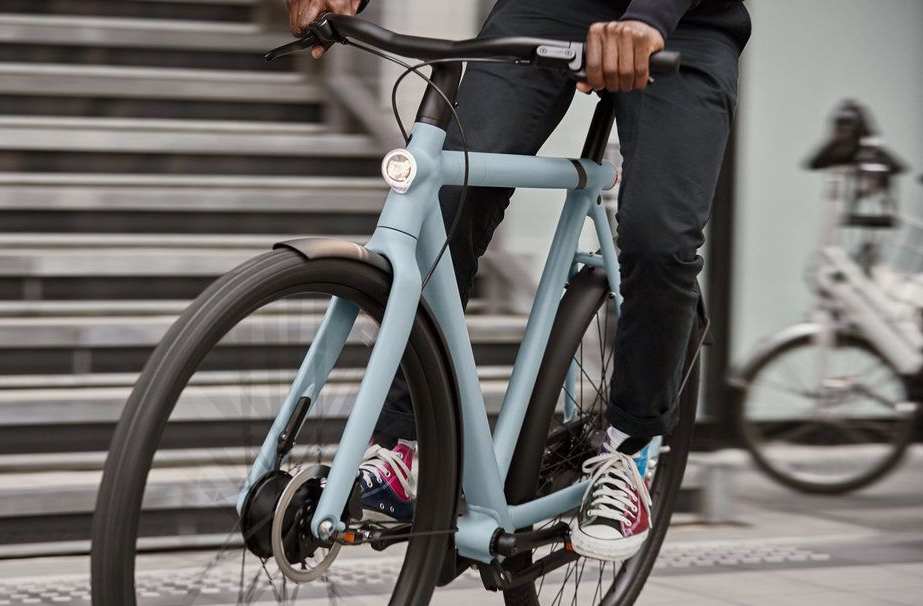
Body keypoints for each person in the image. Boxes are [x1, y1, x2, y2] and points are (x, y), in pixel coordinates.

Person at [285, 0, 751, 560]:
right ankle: (406, 445)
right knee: (448, 193)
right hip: (548, 7)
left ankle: (630, 449)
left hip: (684, 23)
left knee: (660, 239)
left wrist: (649, 16)